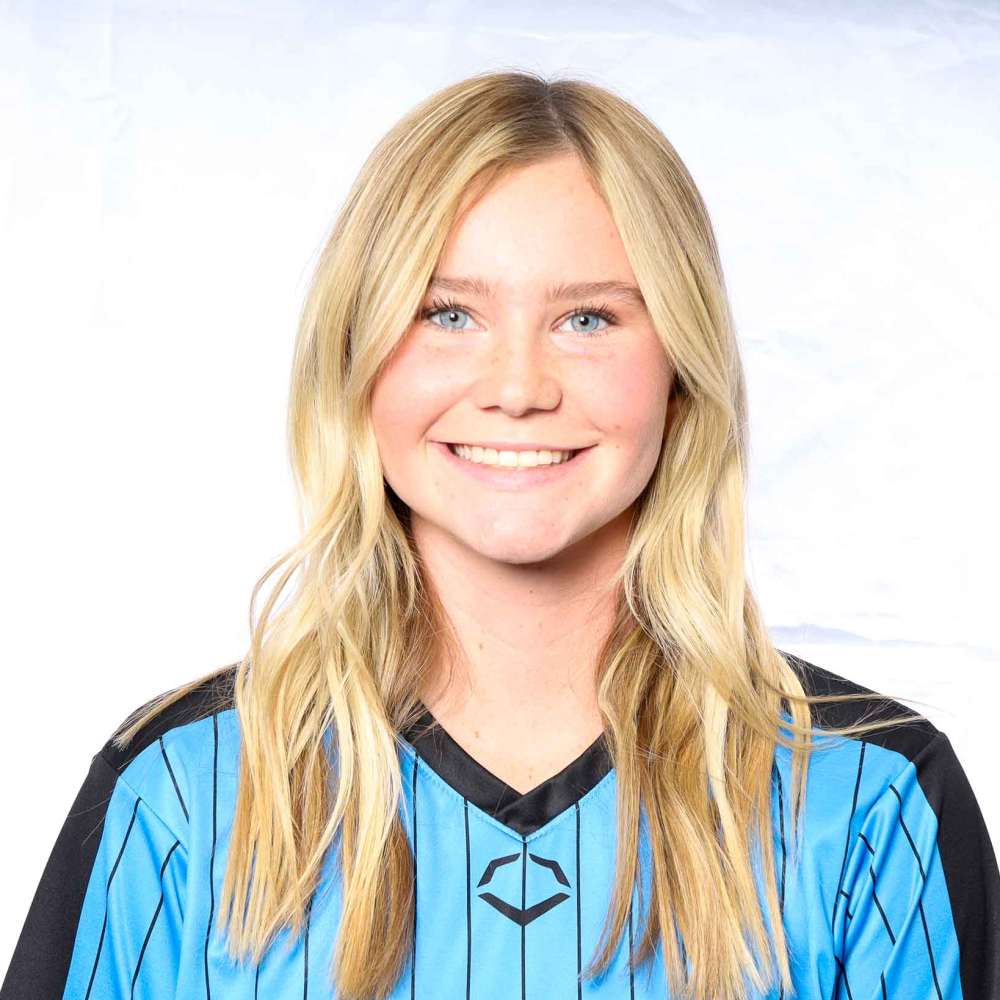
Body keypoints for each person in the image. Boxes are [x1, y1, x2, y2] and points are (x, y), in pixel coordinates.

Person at [2, 69, 998, 1000]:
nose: (518, 389)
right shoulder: (181, 789)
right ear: (355, 357)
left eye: (589, 320)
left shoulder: (873, 799)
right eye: (446, 313)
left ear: (679, 371)